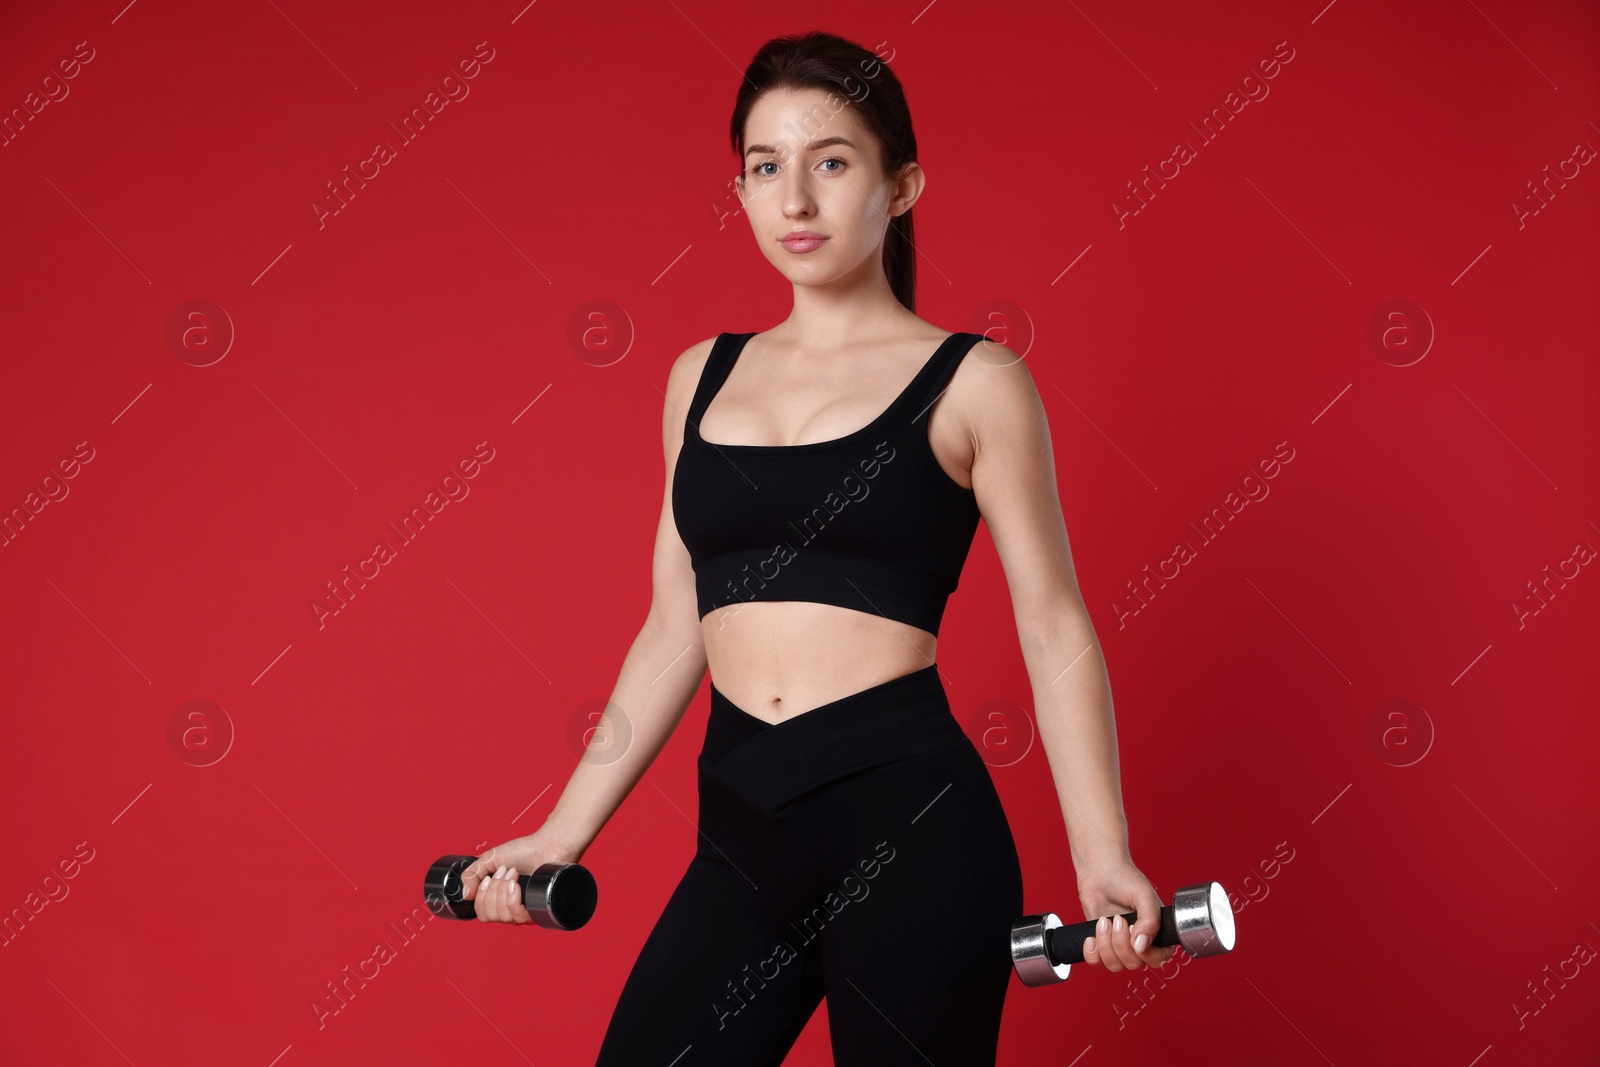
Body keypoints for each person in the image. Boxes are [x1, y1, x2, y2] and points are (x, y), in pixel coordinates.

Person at [461, 30, 1175, 1065]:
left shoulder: (973, 382)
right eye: (765, 167)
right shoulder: (698, 376)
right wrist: (562, 831)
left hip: (914, 829)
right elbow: (675, 622)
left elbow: (1050, 619)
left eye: (830, 162)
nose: (793, 199)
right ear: (741, 188)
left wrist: (1100, 852)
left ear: (902, 184)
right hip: (743, 831)